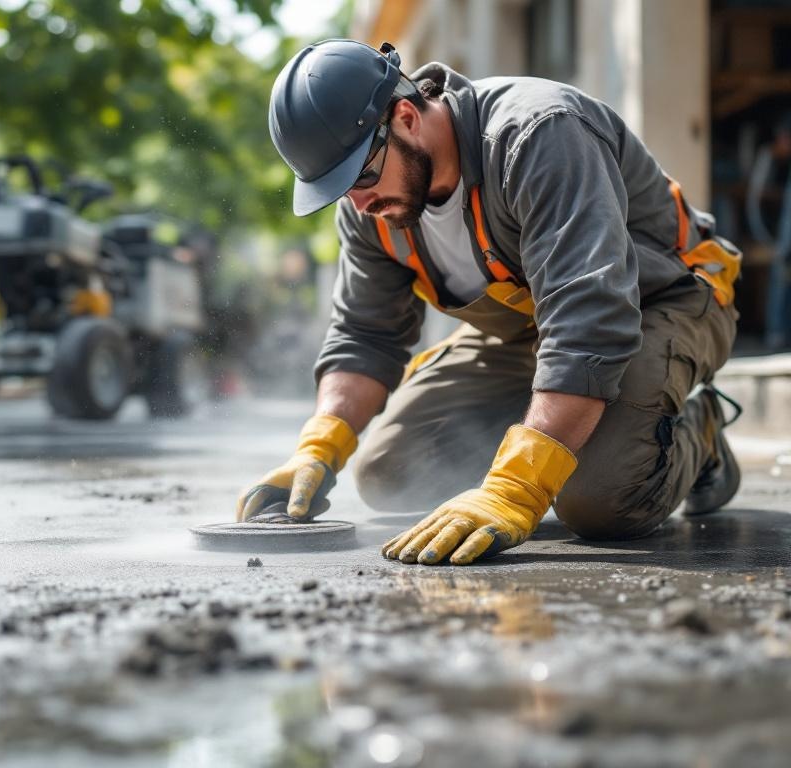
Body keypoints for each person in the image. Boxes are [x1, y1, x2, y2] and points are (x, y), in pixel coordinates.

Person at [236, 39, 743, 566]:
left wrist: (516, 487)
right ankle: (573, 425)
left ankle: (696, 429)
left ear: (406, 117)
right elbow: (366, 335)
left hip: (660, 299)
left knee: (600, 500)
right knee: (389, 471)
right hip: (531, 325)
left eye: (360, 175)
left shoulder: (538, 135)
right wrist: (317, 448)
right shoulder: (371, 208)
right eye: (337, 189)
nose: (358, 203)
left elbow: (589, 322)